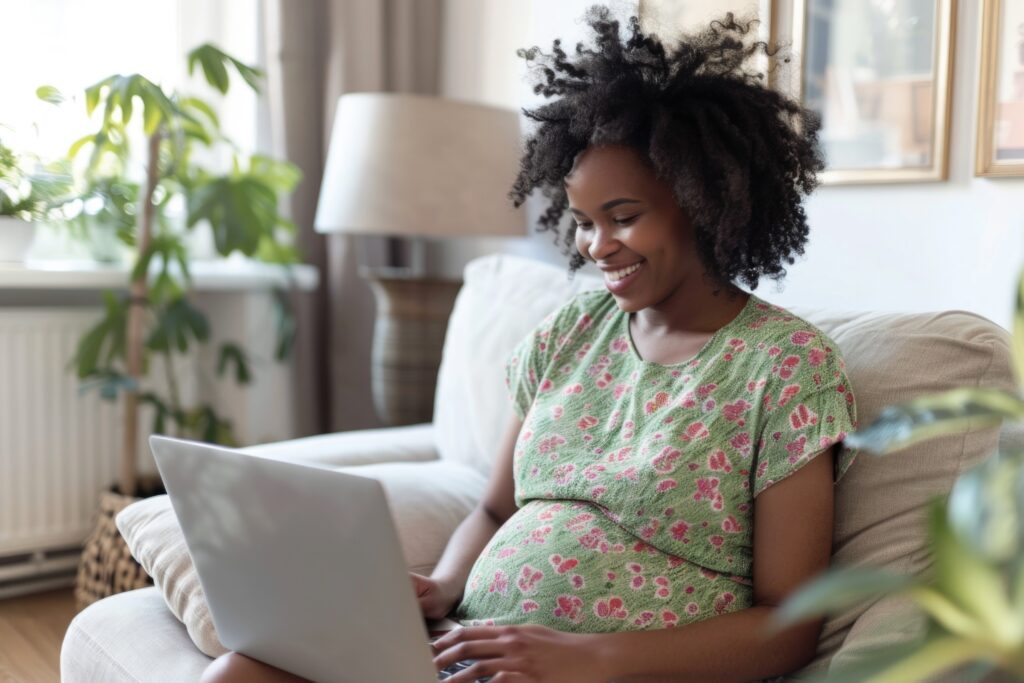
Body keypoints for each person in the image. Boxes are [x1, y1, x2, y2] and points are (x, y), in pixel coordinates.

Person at [202, 5, 859, 682]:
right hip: (475, 653)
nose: (596, 246)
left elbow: (790, 623)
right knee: (241, 670)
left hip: (615, 672)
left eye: (623, 218)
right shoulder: (569, 333)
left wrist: (586, 656)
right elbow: (493, 506)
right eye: (582, 221)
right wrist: (444, 583)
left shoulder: (785, 367)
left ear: (706, 201)